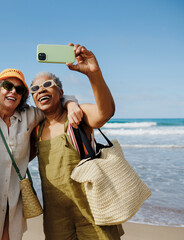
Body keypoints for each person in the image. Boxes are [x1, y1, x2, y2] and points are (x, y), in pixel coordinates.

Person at [0, 68, 81, 240]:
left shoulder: (31, 116)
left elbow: (53, 102)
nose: (13, 91)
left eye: (20, 90)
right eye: (8, 86)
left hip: (14, 204)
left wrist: (71, 103)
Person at [31, 43, 123, 239]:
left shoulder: (76, 116)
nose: (41, 90)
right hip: (56, 220)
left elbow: (104, 113)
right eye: (35, 88)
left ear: (60, 92)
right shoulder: (35, 129)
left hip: (93, 212)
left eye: (48, 85)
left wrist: (93, 73)